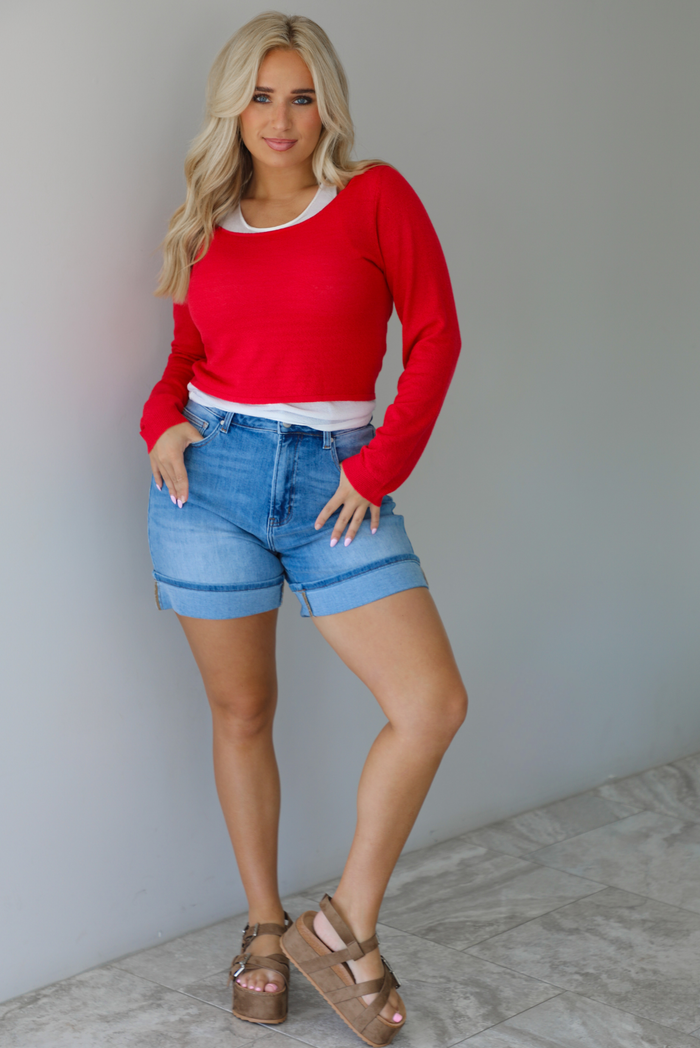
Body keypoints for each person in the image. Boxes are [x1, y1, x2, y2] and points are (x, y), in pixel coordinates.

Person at [140, 11, 467, 1046]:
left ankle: (344, 923)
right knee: (242, 713)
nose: (280, 118)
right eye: (260, 95)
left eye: (300, 94)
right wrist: (159, 423)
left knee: (429, 703)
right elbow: (180, 359)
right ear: (231, 105)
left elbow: (434, 337)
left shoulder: (375, 196)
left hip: (338, 482)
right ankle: (267, 932)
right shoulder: (206, 218)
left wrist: (374, 469)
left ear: (325, 101)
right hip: (210, 481)